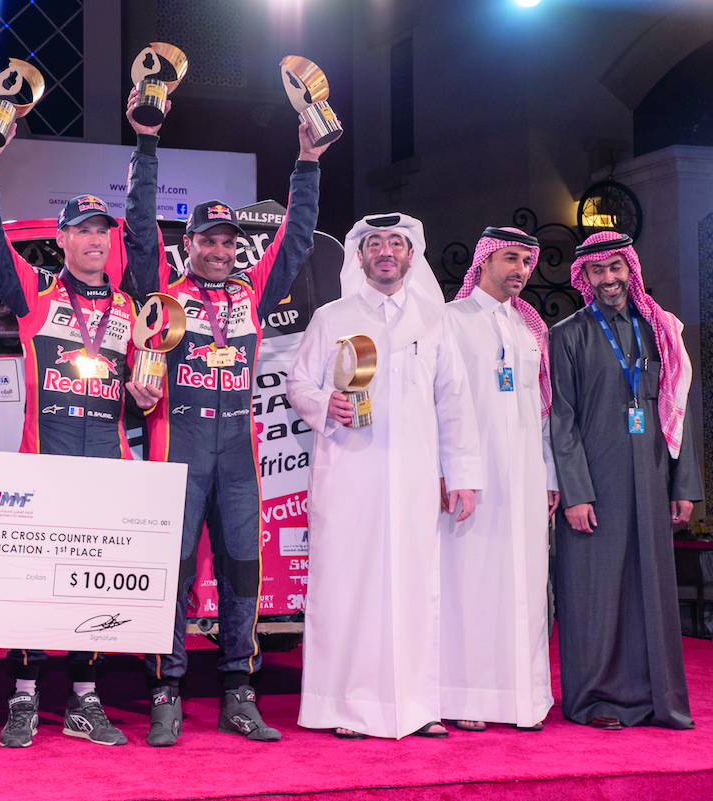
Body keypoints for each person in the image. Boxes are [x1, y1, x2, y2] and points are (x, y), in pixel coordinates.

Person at [122, 86, 331, 746]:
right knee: (173, 574)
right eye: (208, 240)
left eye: (228, 242)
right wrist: (147, 141)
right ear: (189, 245)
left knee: (244, 572)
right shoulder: (161, 287)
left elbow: (296, 237)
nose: (219, 250)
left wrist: (306, 162)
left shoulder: (252, 290)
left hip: (238, 459)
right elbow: (135, 222)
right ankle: (166, 690)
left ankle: (240, 689)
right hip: (176, 449)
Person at [0, 103, 162, 747]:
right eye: (82, 231)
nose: (96, 241)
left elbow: (143, 389)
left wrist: (141, 393)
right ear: (63, 239)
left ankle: (84, 700)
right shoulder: (35, 296)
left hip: (105, 465)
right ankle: (23, 698)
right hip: (42, 463)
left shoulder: (132, 307)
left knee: (94, 583)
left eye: (102, 232)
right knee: (35, 587)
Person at [286, 213, 481, 740]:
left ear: (412, 256)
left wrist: (461, 473)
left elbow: (454, 401)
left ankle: (417, 706)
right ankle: (346, 707)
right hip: (350, 473)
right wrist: (326, 403)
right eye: (376, 244)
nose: (387, 251)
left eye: (397, 243)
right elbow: (297, 384)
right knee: (348, 586)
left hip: (417, 477)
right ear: (361, 256)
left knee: (418, 588)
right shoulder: (332, 316)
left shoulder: (433, 321)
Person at [549, 230, 702, 730]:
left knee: (651, 592)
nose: (609, 279)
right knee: (594, 592)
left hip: (653, 478)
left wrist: (684, 486)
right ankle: (597, 702)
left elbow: (680, 412)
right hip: (595, 486)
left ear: (629, 270)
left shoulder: (662, 329)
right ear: (585, 278)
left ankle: (657, 701)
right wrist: (575, 493)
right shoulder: (567, 334)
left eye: (616, 268)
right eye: (598, 271)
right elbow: (561, 421)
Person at [439, 227, 557, 733]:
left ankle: (522, 700)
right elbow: (439, 404)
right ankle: (463, 695)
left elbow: (543, 409)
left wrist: (549, 473)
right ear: (483, 260)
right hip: (472, 478)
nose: (520, 270)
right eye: (510, 259)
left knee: (526, 586)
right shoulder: (449, 321)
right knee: (469, 584)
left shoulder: (530, 327)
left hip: (527, 477)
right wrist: (446, 472)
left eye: (527, 262)